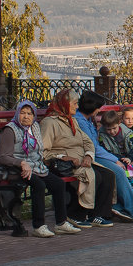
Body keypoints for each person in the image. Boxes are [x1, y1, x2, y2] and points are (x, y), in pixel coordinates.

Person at [0, 101, 82, 238]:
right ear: (17, 113)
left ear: (34, 116)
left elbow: (39, 151)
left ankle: (61, 223)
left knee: (58, 184)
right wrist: (21, 163)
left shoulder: (35, 127)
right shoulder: (10, 130)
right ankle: (39, 226)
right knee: (39, 185)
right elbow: (3, 157)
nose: (26, 117)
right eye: (22, 113)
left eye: (29, 113)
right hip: (14, 168)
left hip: (36, 166)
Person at [40, 89, 115, 227]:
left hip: (80, 161)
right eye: (74, 104)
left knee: (108, 175)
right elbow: (44, 150)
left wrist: (88, 155)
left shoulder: (72, 121)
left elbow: (87, 142)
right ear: (64, 104)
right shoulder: (50, 123)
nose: (77, 106)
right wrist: (63, 157)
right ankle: (75, 214)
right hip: (63, 164)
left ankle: (97, 214)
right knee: (93, 176)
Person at [75, 91, 133, 223]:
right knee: (119, 171)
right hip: (90, 155)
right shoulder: (80, 121)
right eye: (98, 108)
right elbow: (94, 147)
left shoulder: (88, 119)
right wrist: (115, 160)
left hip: (97, 153)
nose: (99, 111)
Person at [98, 109, 133, 216]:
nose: (112, 132)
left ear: (119, 123)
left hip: (132, 161)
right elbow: (107, 152)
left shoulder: (128, 132)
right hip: (118, 162)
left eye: (114, 128)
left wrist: (130, 158)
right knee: (128, 182)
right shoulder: (102, 135)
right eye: (108, 129)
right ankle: (128, 207)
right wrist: (121, 159)